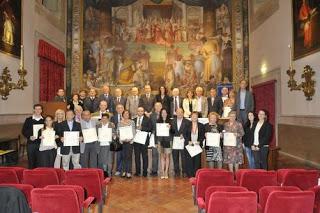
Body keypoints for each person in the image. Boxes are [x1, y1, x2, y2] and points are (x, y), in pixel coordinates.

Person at [22, 104, 45, 169]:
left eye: (39, 109)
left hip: (41, 143)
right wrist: (29, 136)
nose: (38, 110)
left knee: (40, 161)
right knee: (31, 161)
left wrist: (45, 135)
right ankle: (31, 176)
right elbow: (23, 131)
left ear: (41, 110)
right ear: (34, 110)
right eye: (36, 109)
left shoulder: (44, 120)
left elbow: (48, 130)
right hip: (31, 144)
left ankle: (39, 176)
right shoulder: (28, 119)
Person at [171, 108, 190, 177]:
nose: (179, 114)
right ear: (176, 113)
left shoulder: (187, 122)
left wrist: (184, 135)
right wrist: (169, 129)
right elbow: (171, 132)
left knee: (184, 157)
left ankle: (184, 171)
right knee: (175, 157)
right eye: (178, 112)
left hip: (183, 142)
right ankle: (177, 172)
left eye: (181, 112)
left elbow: (189, 133)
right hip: (175, 142)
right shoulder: (172, 121)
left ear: (183, 113)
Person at [133, 107, 153, 177]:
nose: (140, 112)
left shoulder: (148, 119)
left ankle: (145, 171)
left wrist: (142, 128)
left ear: (143, 112)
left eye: (141, 111)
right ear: (137, 112)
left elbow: (150, 128)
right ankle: (137, 171)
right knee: (137, 156)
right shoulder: (134, 120)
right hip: (136, 140)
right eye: (138, 111)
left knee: (145, 156)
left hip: (144, 140)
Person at [185, 112, 204, 178]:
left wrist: (200, 141)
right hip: (190, 145)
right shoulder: (187, 124)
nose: (194, 117)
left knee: (197, 161)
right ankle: (190, 175)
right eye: (193, 116)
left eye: (195, 116)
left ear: (197, 117)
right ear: (191, 117)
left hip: (197, 145)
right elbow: (185, 134)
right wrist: (188, 141)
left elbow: (202, 136)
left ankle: (196, 174)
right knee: (189, 160)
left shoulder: (201, 125)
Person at [117, 110, 136, 178]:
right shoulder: (119, 123)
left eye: (127, 113)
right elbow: (118, 132)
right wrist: (120, 138)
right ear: (122, 115)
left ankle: (129, 172)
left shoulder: (132, 122)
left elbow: (134, 132)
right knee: (123, 157)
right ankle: (123, 171)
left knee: (129, 157)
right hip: (122, 142)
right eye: (125, 113)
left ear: (129, 115)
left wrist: (131, 139)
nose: (126, 115)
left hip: (129, 142)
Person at [97, 113, 116, 177]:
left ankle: (109, 174)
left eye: (106, 118)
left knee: (109, 161)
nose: (104, 120)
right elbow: (96, 134)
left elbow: (115, 135)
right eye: (103, 118)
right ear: (101, 119)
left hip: (109, 145)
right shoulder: (98, 125)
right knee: (102, 161)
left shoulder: (112, 125)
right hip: (101, 145)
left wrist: (114, 136)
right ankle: (103, 174)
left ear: (108, 119)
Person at [156, 108, 172, 179]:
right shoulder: (158, 121)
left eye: (165, 112)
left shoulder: (170, 121)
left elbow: (173, 132)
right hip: (160, 141)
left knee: (167, 156)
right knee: (162, 156)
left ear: (167, 113)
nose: (164, 114)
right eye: (162, 113)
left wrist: (170, 128)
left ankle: (166, 172)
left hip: (168, 141)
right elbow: (156, 132)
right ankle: (163, 172)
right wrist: (156, 141)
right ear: (161, 114)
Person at [111, 104, 125, 176]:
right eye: (118, 108)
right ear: (116, 109)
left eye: (121, 108)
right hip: (117, 139)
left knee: (124, 154)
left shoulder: (126, 116)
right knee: (118, 155)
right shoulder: (113, 117)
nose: (120, 109)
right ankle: (118, 170)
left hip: (125, 138)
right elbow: (112, 127)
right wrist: (115, 134)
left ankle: (124, 170)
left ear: (123, 109)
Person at [149, 102, 162, 176]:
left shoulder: (164, 114)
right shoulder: (151, 115)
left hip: (163, 137)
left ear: (161, 106)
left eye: (159, 106)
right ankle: (154, 170)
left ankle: (164, 170)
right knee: (154, 154)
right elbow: (150, 125)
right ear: (154, 107)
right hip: (154, 137)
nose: (158, 107)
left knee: (164, 154)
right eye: (156, 106)